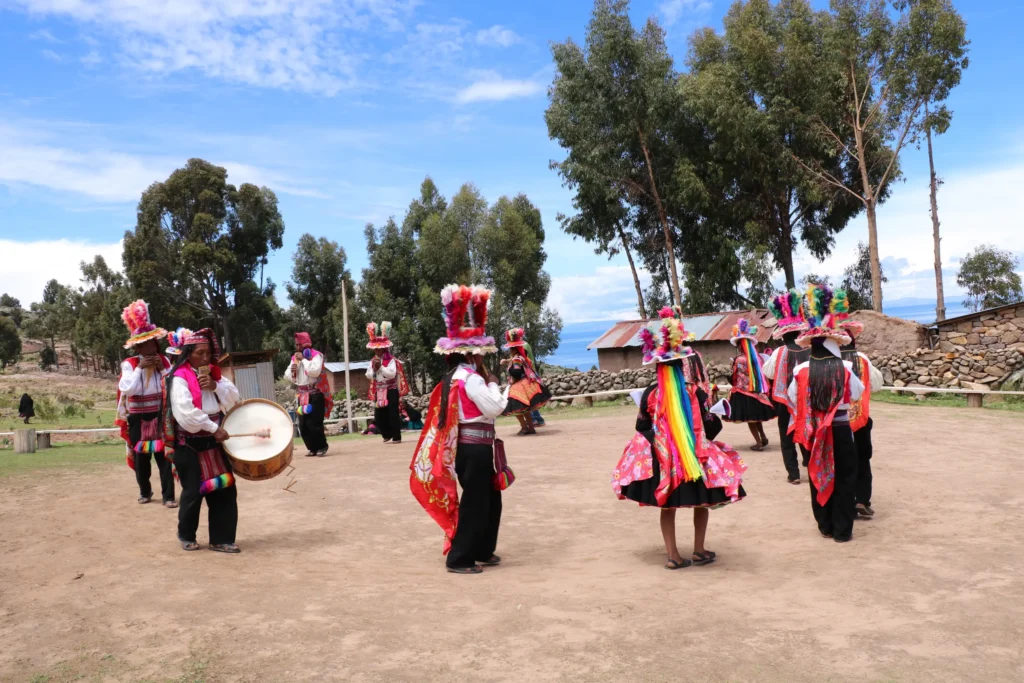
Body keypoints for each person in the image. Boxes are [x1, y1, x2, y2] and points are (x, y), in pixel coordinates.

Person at [612, 307, 746, 570]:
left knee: (668, 506)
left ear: (658, 367)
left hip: (663, 460)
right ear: (681, 365)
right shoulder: (695, 392)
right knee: (702, 502)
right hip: (694, 458)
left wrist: (662, 440)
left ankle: (673, 554)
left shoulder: (650, 393)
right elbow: (709, 428)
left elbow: (642, 427)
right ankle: (699, 549)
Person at [410, 284, 507, 575]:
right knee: (477, 501)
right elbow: (495, 407)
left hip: (472, 448)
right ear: (471, 355)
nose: (482, 357)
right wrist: (493, 382)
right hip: (474, 448)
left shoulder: (454, 376)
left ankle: (482, 548)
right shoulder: (470, 378)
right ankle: (460, 557)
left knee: (490, 498)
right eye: (479, 353)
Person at [787, 286, 865, 543]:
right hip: (840, 430)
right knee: (845, 478)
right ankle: (843, 530)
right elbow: (856, 393)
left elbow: (792, 397)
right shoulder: (844, 367)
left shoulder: (801, 370)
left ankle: (825, 524)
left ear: (812, 344)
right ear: (834, 344)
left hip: (812, 432)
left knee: (816, 473)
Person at [165, 328, 241, 553]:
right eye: (200, 353)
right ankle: (186, 534)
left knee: (225, 487)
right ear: (188, 353)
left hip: (214, 442)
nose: (206, 358)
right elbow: (185, 414)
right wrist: (212, 427)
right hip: (189, 442)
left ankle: (222, 539)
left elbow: (234, 396)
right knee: (193, 492)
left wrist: (215, 385)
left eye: (208, 353)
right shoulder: (179, 377)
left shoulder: (214, 375)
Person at [114, 300, 176, 507]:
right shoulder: (129, 364)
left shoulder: (165, 362)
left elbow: (174, 386)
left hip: (159, 414)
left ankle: (168, 496)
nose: (149, 348)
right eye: (144, 345)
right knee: (141, 459)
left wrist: (162, 370)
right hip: (137, 416)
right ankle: (145, 491)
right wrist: (140, 368)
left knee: (163, 457)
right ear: (138, 347)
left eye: (151, 344)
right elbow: (128, 389)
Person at [836, 312, 883, 519]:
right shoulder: (862, 359)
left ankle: (844, 502)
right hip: (861, 418)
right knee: (862, 459)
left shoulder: (830, 361)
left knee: (841, 462)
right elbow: (876, 384)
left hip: (837, 420)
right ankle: (862, 499)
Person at [764, 289, 811, 485]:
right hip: (806, 399)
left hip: (785, 400)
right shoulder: (810, 350)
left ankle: (793, 474)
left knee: (787, 436)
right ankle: (809, 462)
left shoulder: (780, 352)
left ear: (784, 336)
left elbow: (769, 373)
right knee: (807, 429)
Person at [719, 318, 775, 450]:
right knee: (757, 419)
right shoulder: (758, 359)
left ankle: (759, 443)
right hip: (758, 393)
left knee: (750, 420)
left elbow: (735, 377)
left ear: (741, 345)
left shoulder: (739, 360)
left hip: (745, 394)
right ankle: (763, 437)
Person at [287, 331, 332, 457]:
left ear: (305, 345)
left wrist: (304, 361)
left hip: (316, 394)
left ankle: (322, 446)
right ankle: (312, 448)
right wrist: (293, 372)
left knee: (315, 423)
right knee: (303, 425)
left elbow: (314, 372)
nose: (296, 347)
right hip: (302, 395)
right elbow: (288, 376)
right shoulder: (294, 359)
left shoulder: (316, 356)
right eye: (295, 345)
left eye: (298, 345)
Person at [365, 321, 411, 444]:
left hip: (390, 390)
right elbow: (368, 374)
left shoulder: (391, 360)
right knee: (379, 415)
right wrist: (374, 371)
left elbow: (391, 374)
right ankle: (386, 434)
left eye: (380, 349)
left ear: (384, 349)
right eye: (376, 349)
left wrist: (380, 368)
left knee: (393, 414)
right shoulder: (372, 361)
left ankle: (396, 437)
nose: (377, 351)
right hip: (379, 391)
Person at [501, 328, 552, 435]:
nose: (510, 351)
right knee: (526, 409)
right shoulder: (520, 357)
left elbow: (516, 372)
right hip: (526, 383)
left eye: (511, 349)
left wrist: (510, 371)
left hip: (519, 385)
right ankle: (531, 428)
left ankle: (524, 427)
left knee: (516, 409)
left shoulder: (516, 359)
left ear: (514, 349)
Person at [521, 339, 547, 427]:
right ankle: (537, 419)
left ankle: (534, 419)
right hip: (530, 374)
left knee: (529, 398)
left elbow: (522, 359)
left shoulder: (523, 346)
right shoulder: (525, 344)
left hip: (527, 375)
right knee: (531, 398)